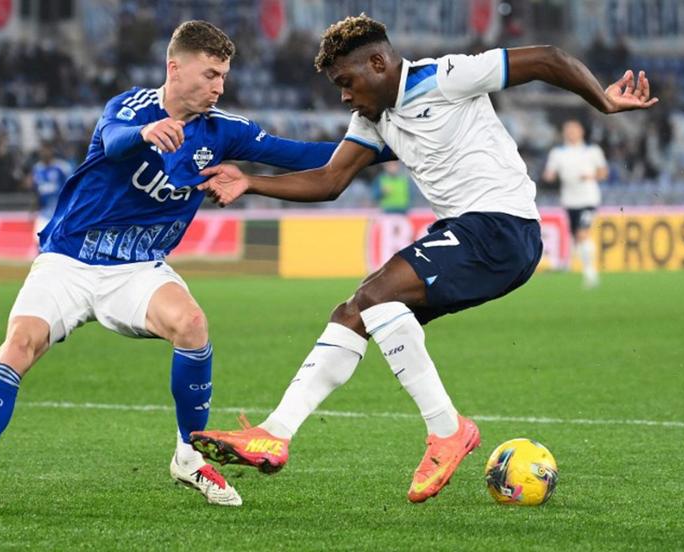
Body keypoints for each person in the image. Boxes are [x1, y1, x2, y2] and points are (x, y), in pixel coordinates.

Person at [190, 14, 657, 503]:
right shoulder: (372, 119)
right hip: (465, 231)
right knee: (354, 313)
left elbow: (547, 59)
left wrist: (602, 101)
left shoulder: (446, 76)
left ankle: (447, 430)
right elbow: (329, 180)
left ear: (378, 62)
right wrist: (250, 180)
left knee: (375, 295)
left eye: (347, 83)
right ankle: (276, 433)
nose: (345, 96)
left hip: (502, 228)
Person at [0, 20, 368, 513]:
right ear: (174, 68)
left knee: (192, 323)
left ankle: (187, 455)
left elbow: (302, 154)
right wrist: (144, 133)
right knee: (18, 346)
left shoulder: (222, 131)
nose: (219, 86)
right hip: (69, 261)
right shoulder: (131, 107)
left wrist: (387, 144)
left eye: (223, 76)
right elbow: (115, 139)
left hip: (136, 270)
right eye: (209, 74)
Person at [542, 120, 608, 288]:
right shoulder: (557, 153)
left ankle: (590, 274)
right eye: (568, 130)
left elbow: (603, 173)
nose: (571, 133)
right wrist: (549, 177)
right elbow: (549, 174)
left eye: (574, 130)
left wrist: (590, 177)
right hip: (569, 200)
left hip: (588, 199)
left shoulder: (592, 151)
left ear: (581, 132)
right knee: (576, 238)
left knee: (582, 234)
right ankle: (573, 266)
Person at [29, 142, 72, 239]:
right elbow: (36, 192)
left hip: (60, 213)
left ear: (51, 151)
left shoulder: (62, 167)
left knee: (58, 242)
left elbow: (71, 188)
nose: (44, 153)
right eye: (42, 151)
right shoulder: (37, 169)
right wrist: (33, 208)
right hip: (44, 213)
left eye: (46, 150)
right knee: (39, 241)